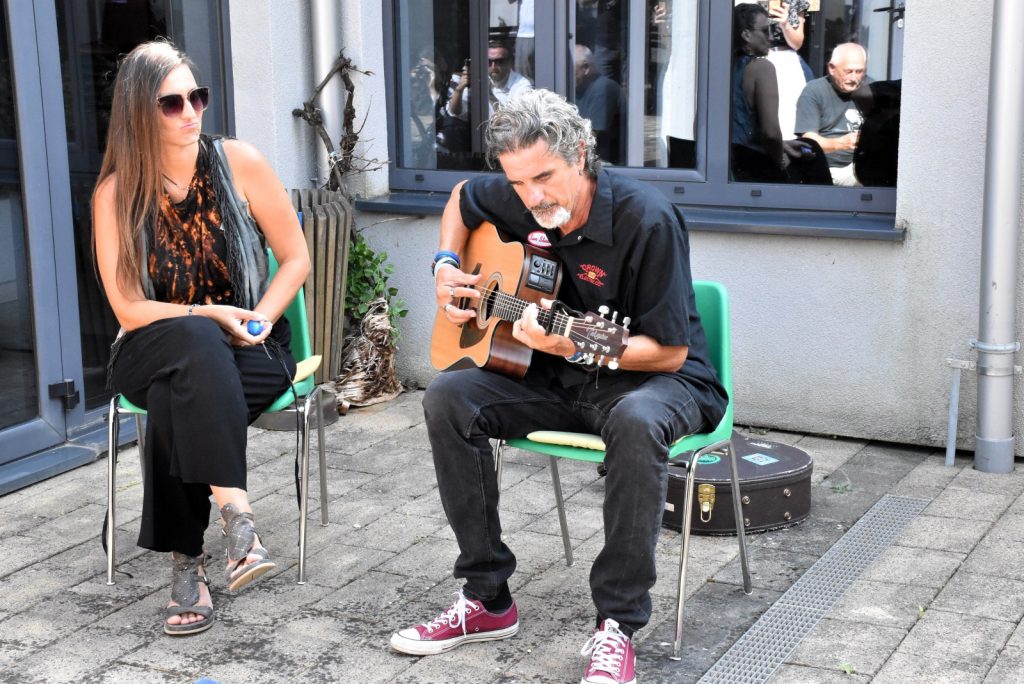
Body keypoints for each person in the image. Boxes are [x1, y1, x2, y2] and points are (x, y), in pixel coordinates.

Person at [390, 89, 728, 684]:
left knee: (636, 422)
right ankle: (487, 599)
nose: (532, 197)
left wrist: (573, 343)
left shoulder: (647, 220)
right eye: (518, 183)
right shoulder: (521, 193)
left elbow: (670, 350)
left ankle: (617, 624)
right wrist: (445, 265)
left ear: (581, 153)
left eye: (544, 178)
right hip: (558, 376)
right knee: (449, 397)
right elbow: (462, 198)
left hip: (659, 380)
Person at [92, 41, 310, 636]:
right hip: (150, 345)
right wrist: (210, 314)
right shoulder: (116, 195)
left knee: (177, 396)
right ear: (138, 111)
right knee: (192, 337)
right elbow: (127, 307)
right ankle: (237, 517)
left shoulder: (240, 163)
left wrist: (258, 320)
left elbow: (295, 257)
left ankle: (187, 562)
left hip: (252, 346)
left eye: (198, 97)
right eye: (172, 103)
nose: (190, 112)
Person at [731, 3, 828, 183]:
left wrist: (782, 145)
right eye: (764, 31)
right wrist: (779, 161)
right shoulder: (761, 67)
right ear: (746, 35)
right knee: (812, 154)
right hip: (751, 169)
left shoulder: (720, 67)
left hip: (728, 163)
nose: (770, 37)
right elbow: (771, 133)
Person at [794, 42, 869, 186]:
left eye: (859, 72)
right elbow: (808, 142)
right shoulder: (814, 91)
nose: (854, 78)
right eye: (848, 71)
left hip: (863, 164)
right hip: (830, 168)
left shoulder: (871, 89)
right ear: (832, 68)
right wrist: (840, 143)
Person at [446, 40, 533, 122]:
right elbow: (455, 112)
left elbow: (516, 121)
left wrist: (489, 94)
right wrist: (459, 89)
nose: (493, 67)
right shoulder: (481, 78)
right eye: (489, 62)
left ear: (510, 62)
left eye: (499, 61)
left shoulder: (521, 85)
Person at [574, 44, 624, 164]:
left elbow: (588, 138)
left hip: (605, 163)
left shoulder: (603, 88)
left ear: (585, 68)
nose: (565, 75)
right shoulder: (577, 87)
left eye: (570, 70)